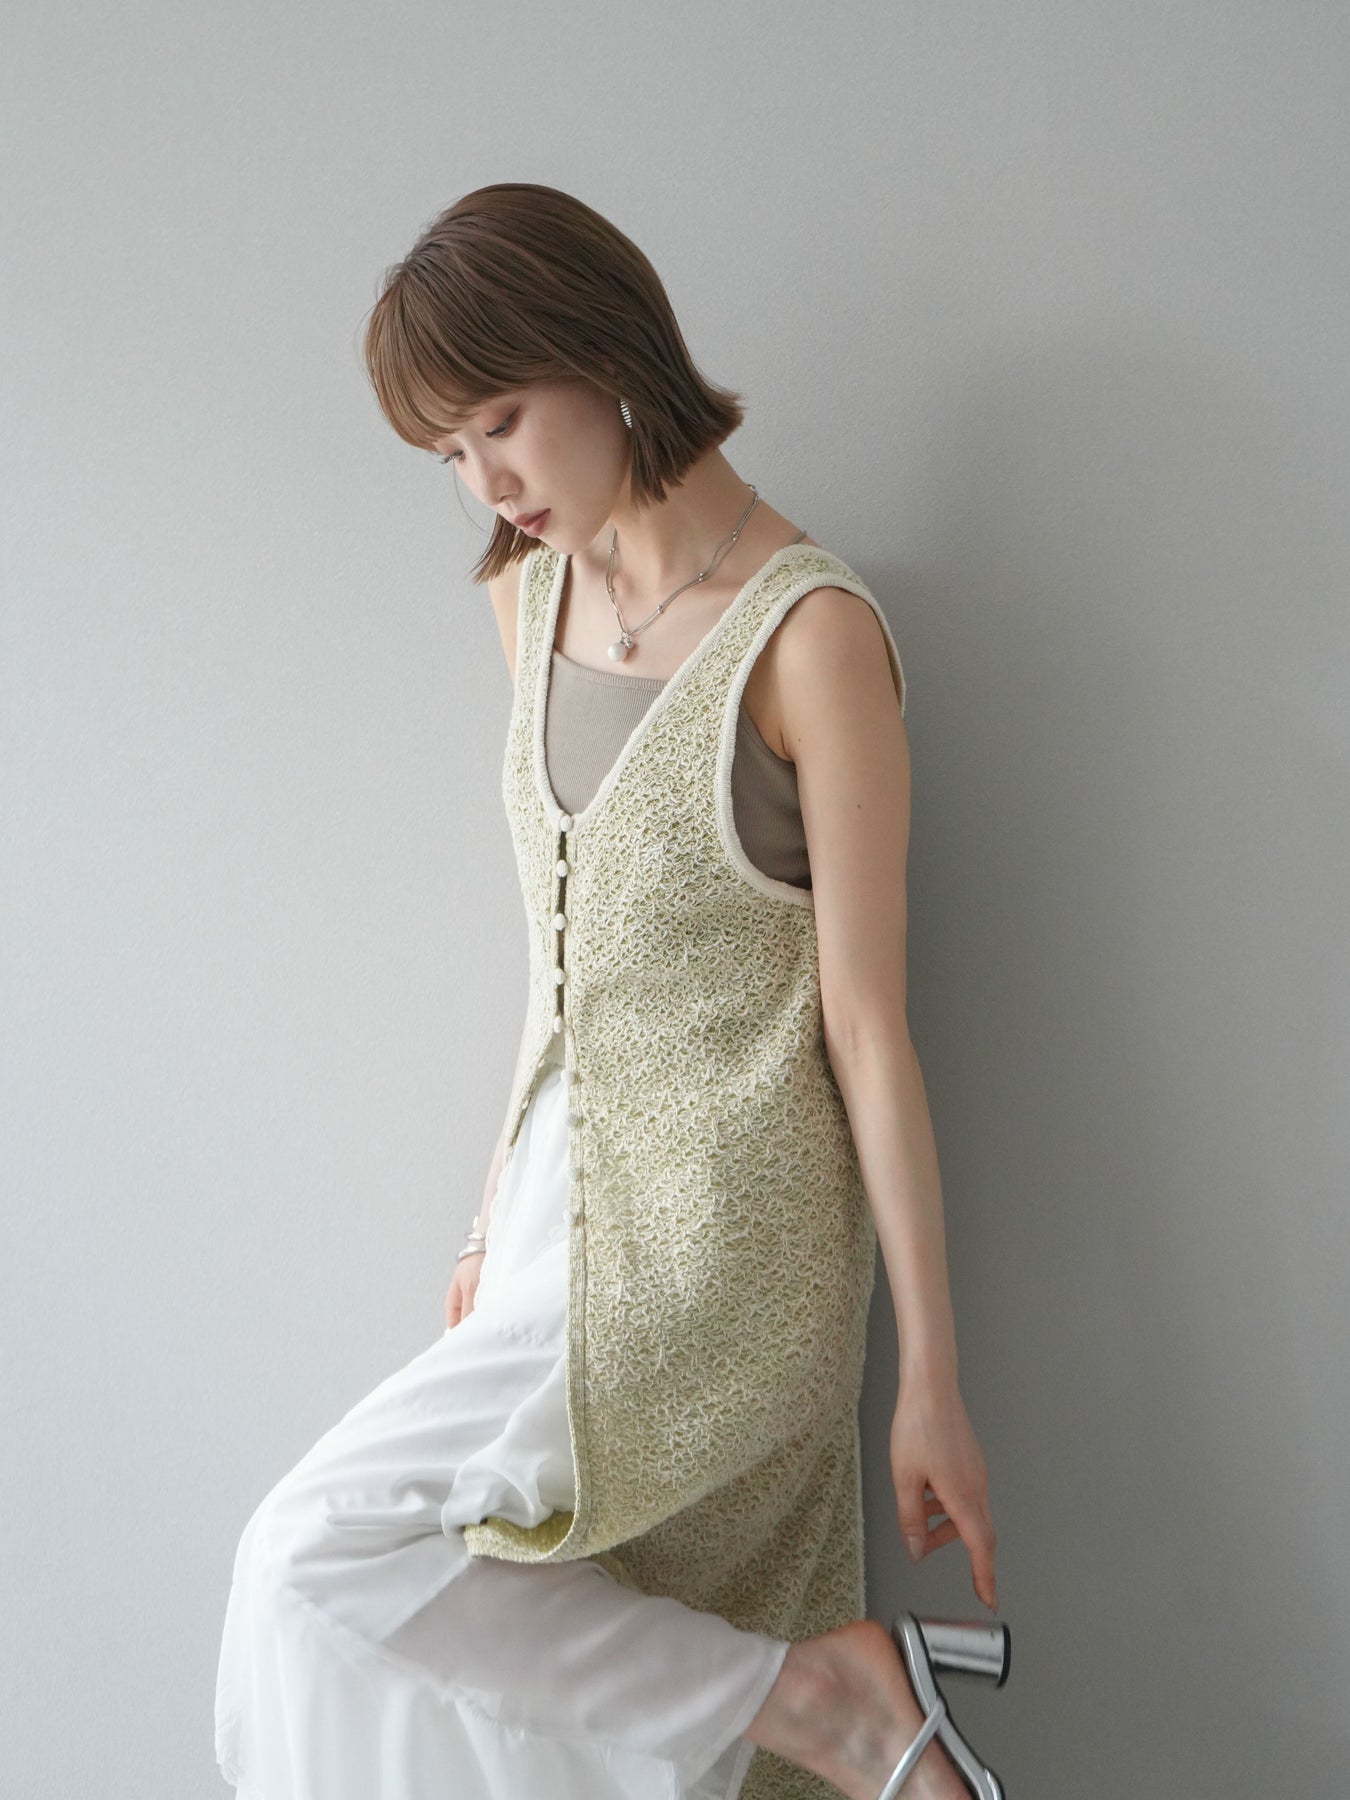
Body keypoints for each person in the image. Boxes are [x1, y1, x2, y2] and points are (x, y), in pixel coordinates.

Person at [215, 182, 1009, 1800]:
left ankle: (828, 1706)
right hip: (553, 1227)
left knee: (312, 1553)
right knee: (503, 1671)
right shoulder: (526, 600)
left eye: (501, 422)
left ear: (602, 353)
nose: (487, 484)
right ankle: (824, 1699)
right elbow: (563, 961)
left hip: (727, 1240)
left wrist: (929, 1374)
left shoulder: (809, 636)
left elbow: (867, 1024)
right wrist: (488, 1205)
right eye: (448, 454)